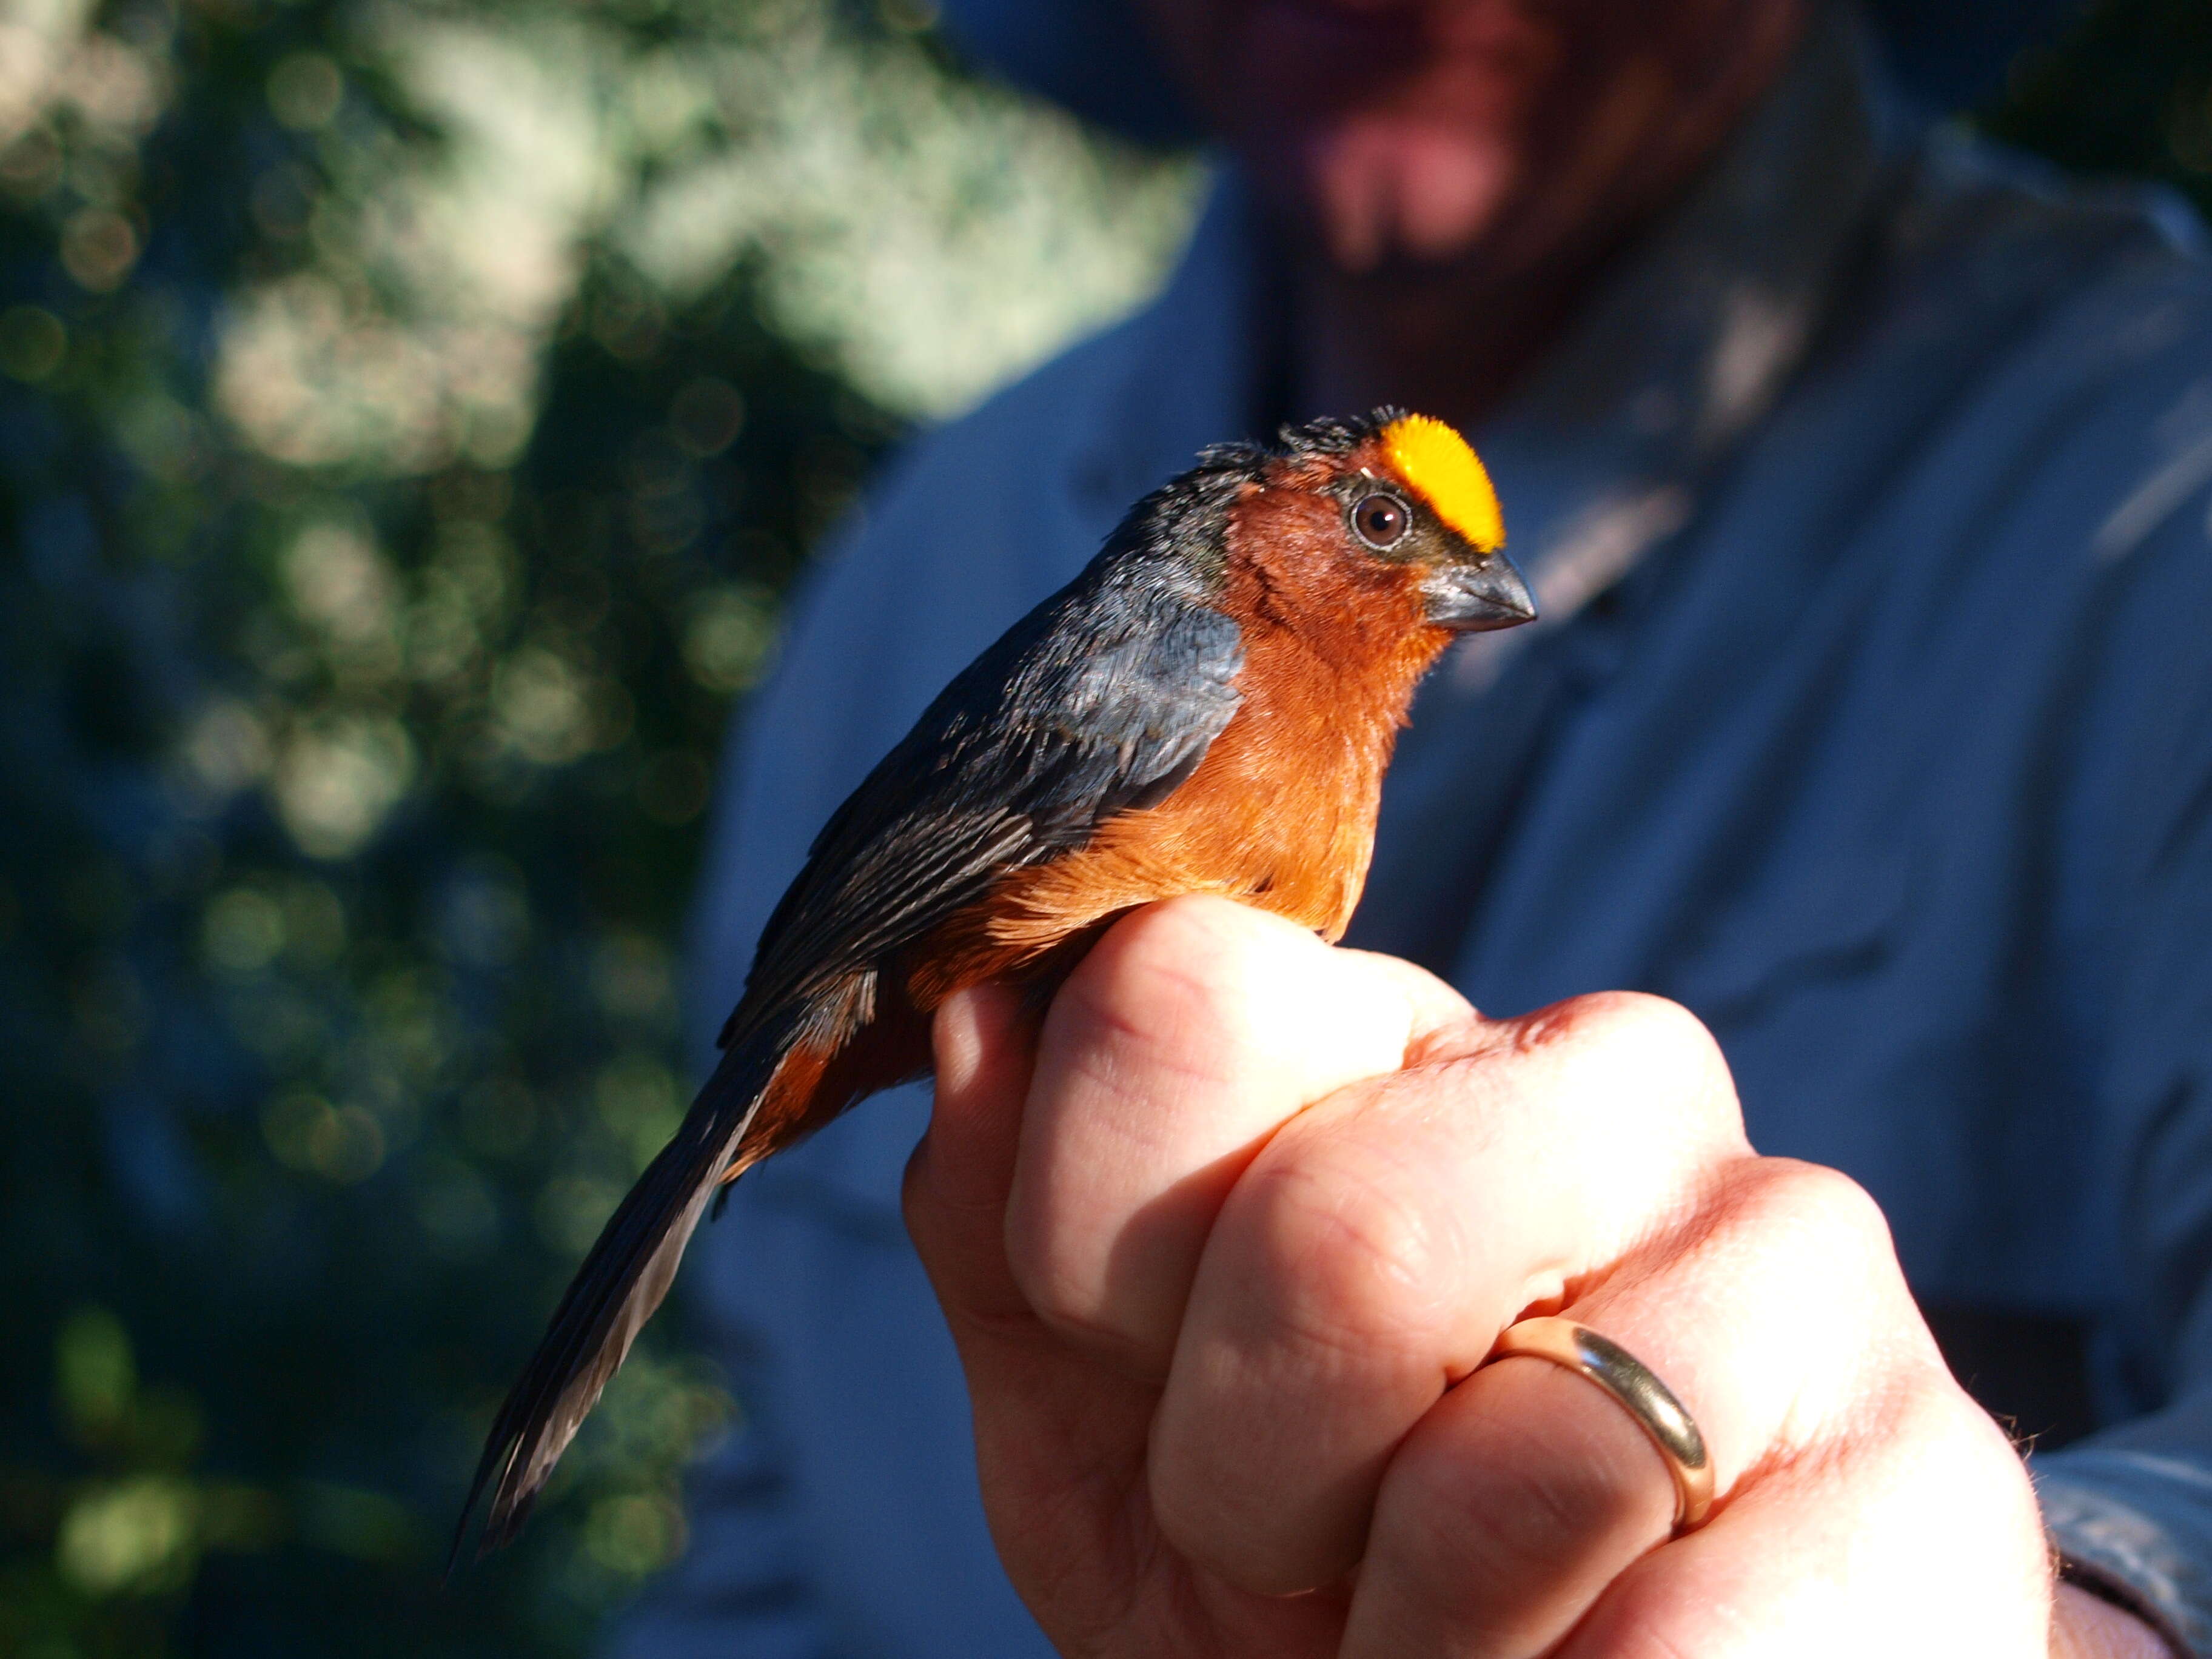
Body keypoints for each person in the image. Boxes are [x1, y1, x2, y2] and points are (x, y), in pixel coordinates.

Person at [615, 1, 2212, 1653]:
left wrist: (2056, 1617)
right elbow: (780, 1534)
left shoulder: (2164, 491)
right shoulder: (926, 542)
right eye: (1387, 532)